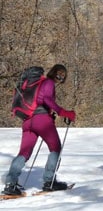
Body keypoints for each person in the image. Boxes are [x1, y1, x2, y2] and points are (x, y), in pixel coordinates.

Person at [3, 64, 76, 195]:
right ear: (53, 73)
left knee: (24, 153)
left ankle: (10, 184)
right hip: (41, 121)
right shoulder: (48, 82)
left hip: (27, 121)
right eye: (59, 74)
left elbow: (39, 101)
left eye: (63, 76)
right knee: (55, 148)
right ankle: (49, 182)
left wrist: (49, 112)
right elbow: (45, 99)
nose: (60, 77)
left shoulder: (34, 84)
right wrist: (63, 112)